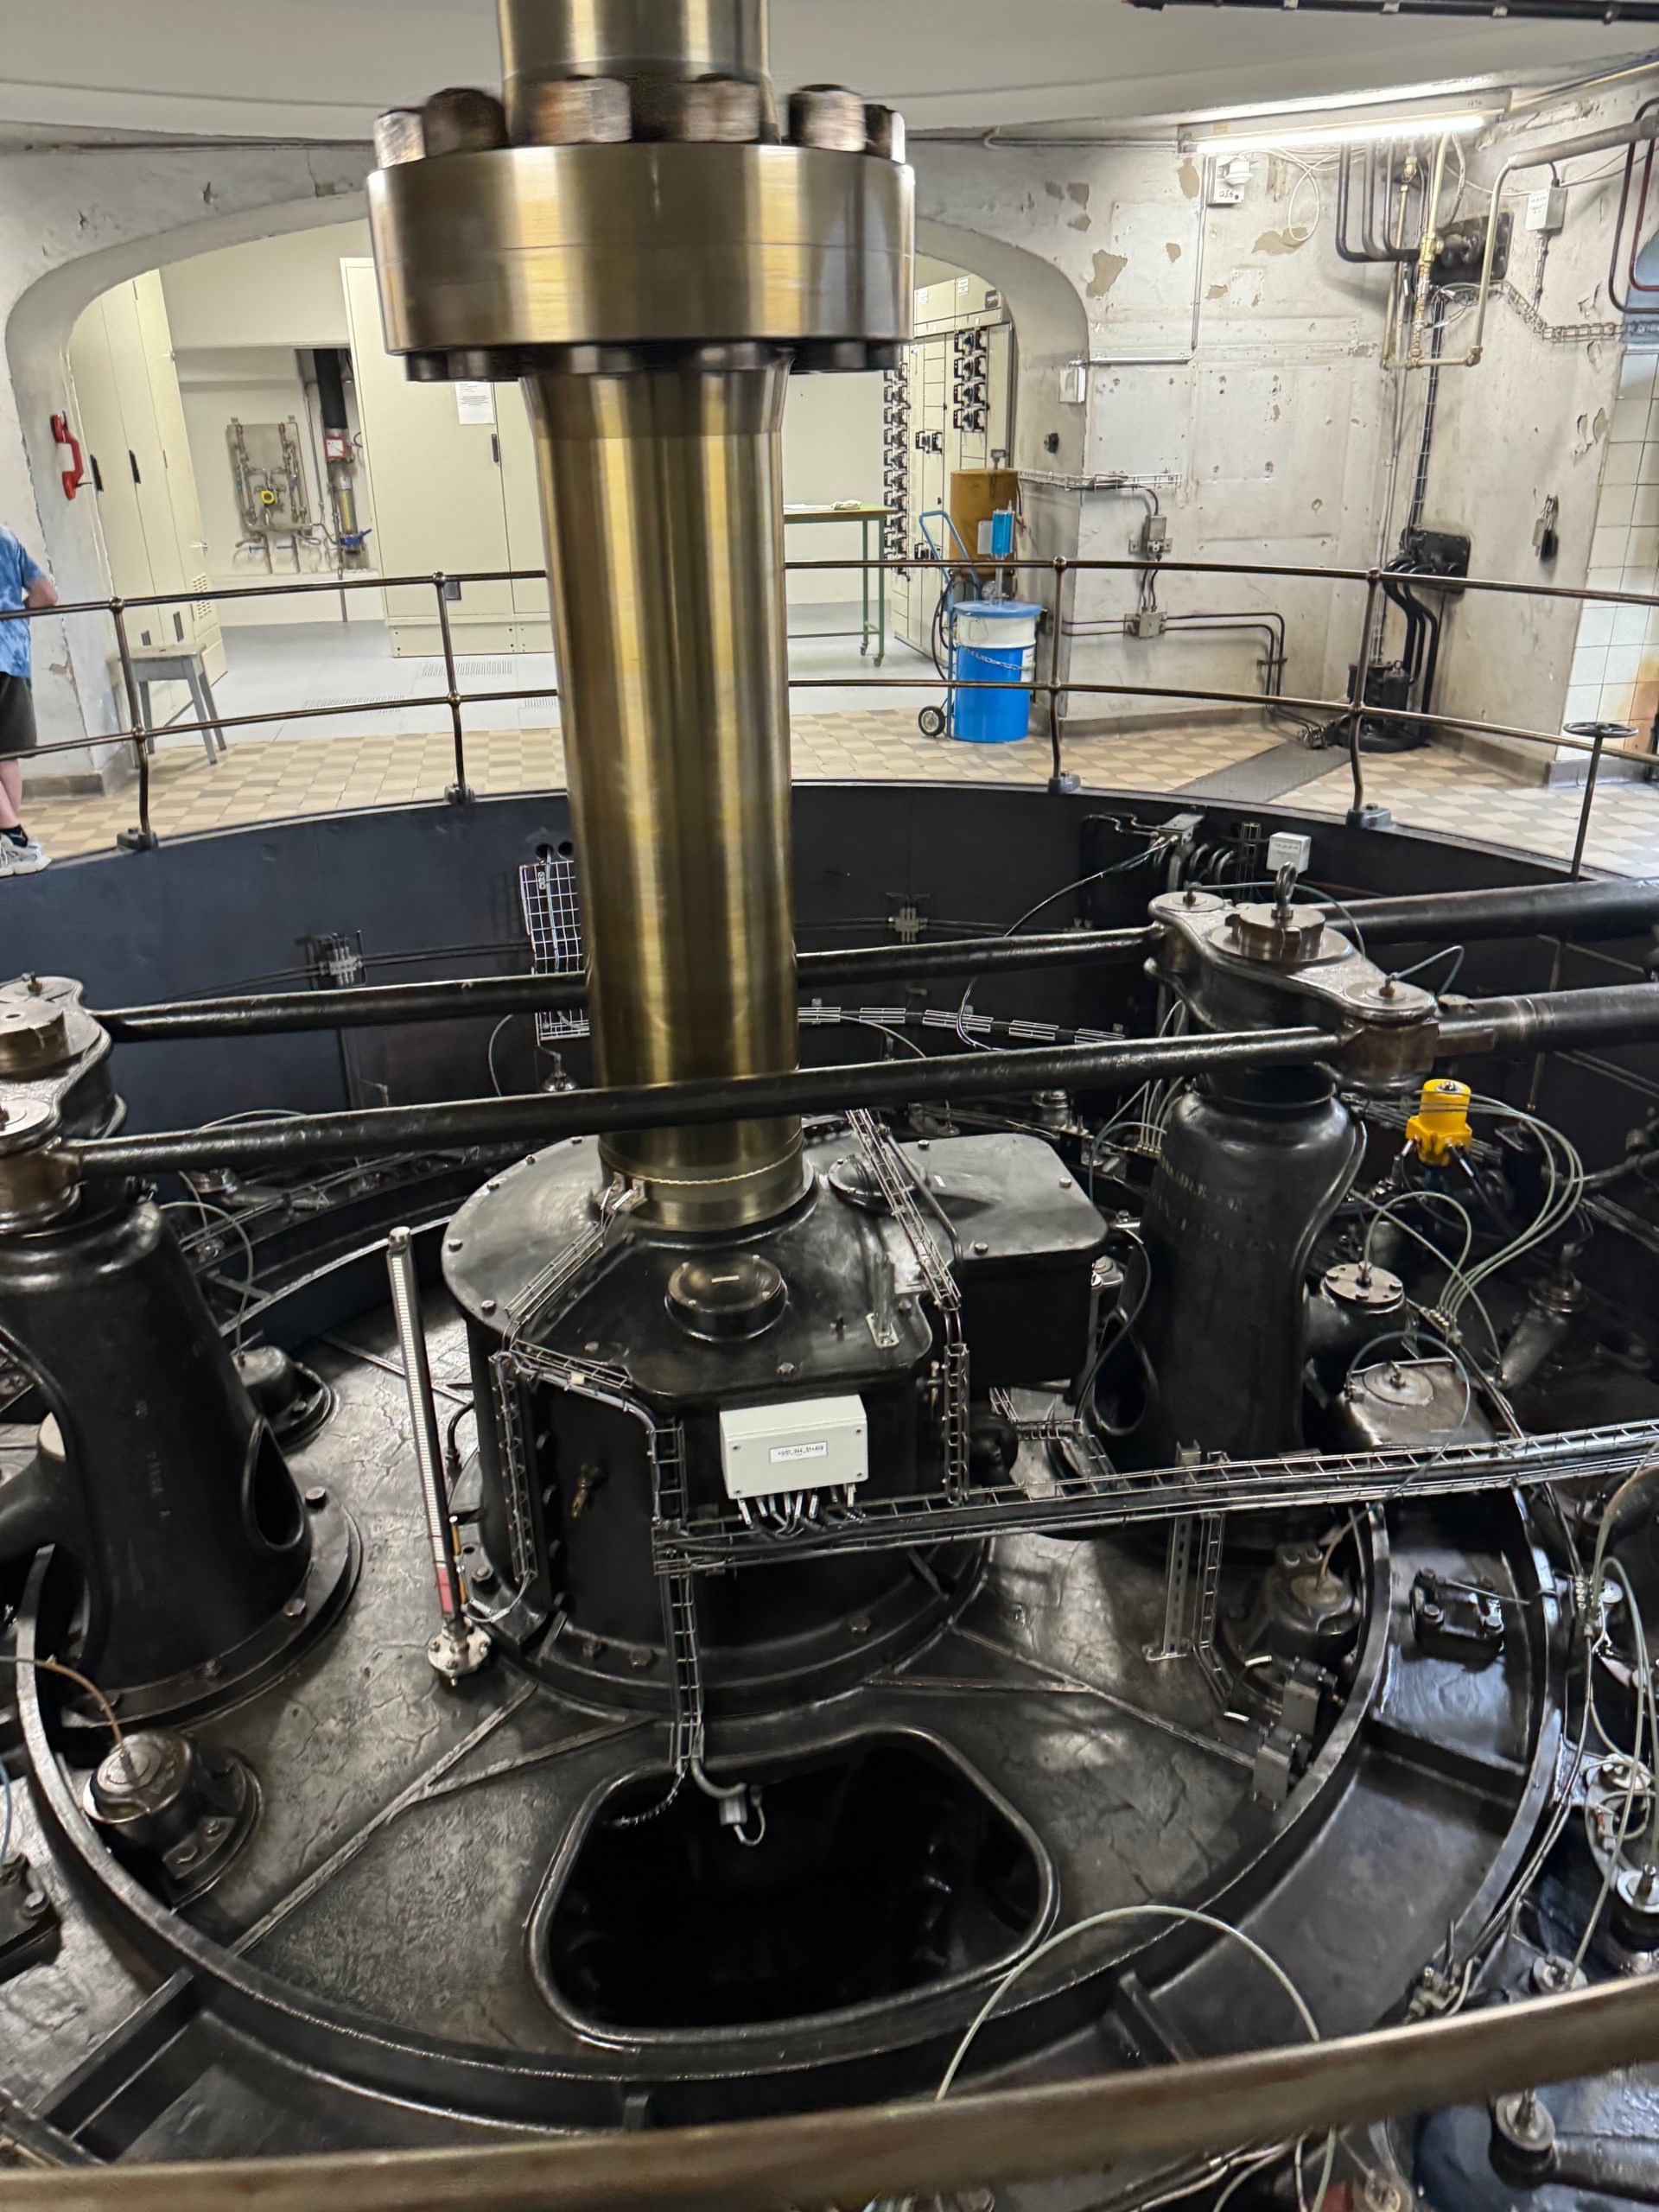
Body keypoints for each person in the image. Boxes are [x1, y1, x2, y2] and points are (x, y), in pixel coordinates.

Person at [0, 522, 60, 877]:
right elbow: (46, 595)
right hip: (13, 654)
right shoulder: (5, 536)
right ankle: (12, 846)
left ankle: (14, 839)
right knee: (6, 755)